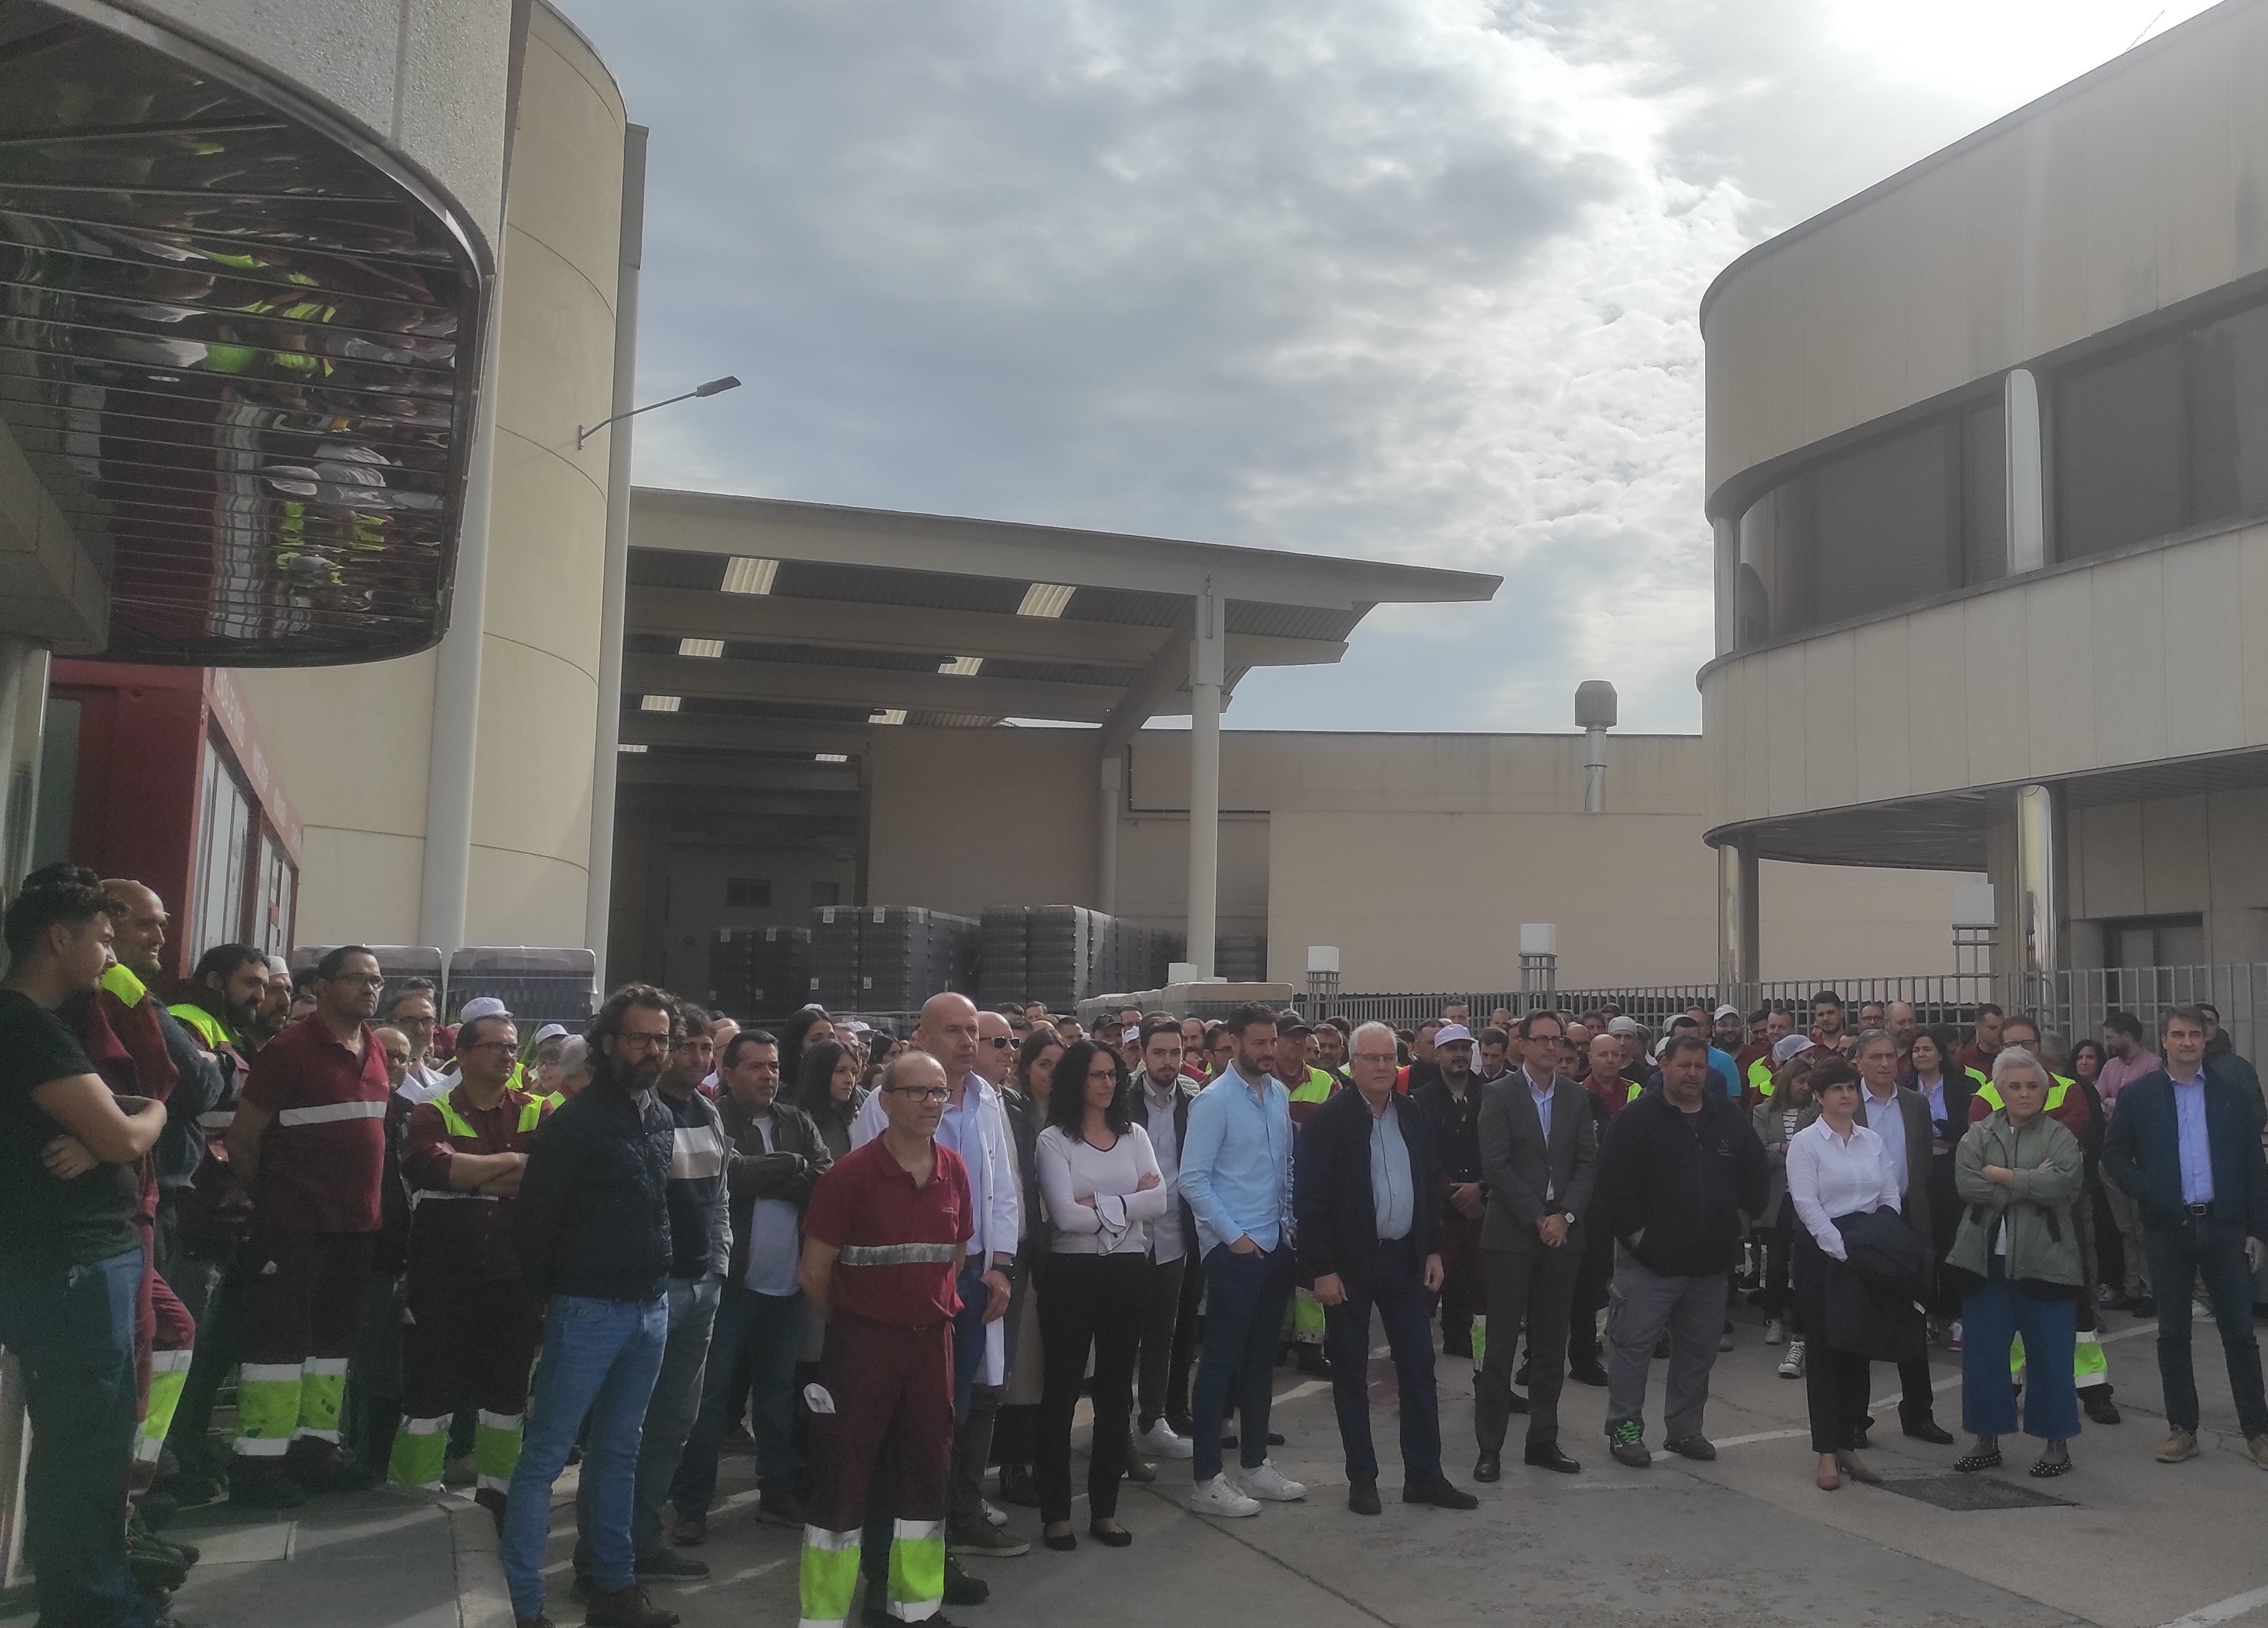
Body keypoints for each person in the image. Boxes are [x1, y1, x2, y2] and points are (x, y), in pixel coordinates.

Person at [0, 863, 170, 1628]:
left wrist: (113, 1128)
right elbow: (125, 1129)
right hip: (72, 1266)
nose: (110, 957)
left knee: (80, 1451)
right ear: (57, 939)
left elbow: (105, 1121)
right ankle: (98, 1611)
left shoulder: (40, 1026)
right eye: (102, 940)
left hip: (62, 1262)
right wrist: (141, 1124)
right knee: (86, 1456)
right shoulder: (27, 1027)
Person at [504, 985, 678, 1628]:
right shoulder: (573, 1124)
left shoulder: (656, 1114)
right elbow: (535, 1224)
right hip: (586, 1311)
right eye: (639, 1038)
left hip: (648, 1309)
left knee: (619, 1451)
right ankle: (525, 1605)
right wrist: (551, 1301)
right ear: (608, 1043)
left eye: (660, 1039)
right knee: (545, 1460)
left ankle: (614, 1590)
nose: (652, 1050)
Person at [850, 994, 1021, 1590]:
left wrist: (1001, 1264)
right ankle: (891, 1559)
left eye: (974, 1030)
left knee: (955, 1415)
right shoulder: (884, 1105)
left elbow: (1001, 1189)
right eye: (953, 1030)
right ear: (921, 1036)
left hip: (972, 1280)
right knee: (911, 1427)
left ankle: (938, 1542)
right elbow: (863, 1201)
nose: (968, 1042)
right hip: (906, 1292)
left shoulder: (987, 1100)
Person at [796, 1052, 971, 1628]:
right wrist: (859, 1318)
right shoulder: (847, 1177)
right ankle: (824, 1614)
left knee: (926, 1471)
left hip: (931, 1346)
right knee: (845, 1477)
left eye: (939, 1092)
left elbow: (954, 1257)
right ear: (886, 1100)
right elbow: (813, 1273)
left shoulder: (954, 1171)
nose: (930, 1102)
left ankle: (912, 1607)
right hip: (863, 1346)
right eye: (917, 1091)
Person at [223, 945, 391, 1505]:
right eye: (356, 979)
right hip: (293, 1225)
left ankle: (315, 1451)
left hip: (356, 1225)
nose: (370, 988)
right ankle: (259, 1466)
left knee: (333, 1344)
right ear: (320, 987)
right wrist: (263, 1200)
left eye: (375, 980)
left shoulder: (374, 1048)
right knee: (278, 1341)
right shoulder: (290, 1050)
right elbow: (244, 1136)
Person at [576, 1005, 729, 1592]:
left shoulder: (708, 1114)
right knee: (621, 1430)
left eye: (702, 1048)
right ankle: (600, 1553)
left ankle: (644, 1539)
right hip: (647, 1293)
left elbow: (716, 1201)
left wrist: (716, 1269)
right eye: (682, 1046)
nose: (694, 1058)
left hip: (698, 1290)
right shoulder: (635, 1115)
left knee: (671, 1424)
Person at [1296, 1020, 1474, 1514]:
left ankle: (1424, 1475)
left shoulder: (1412, 1114)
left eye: (1386, 1059)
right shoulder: (1329, 1121)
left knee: (1418, 1364)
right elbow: (1309, 1202)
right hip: (1349, 1265)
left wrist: (1433, 1249)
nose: (1379, 1067)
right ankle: (1363, 1478)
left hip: (1403, 1260)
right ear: (1351, 1065)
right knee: (1351, 1372)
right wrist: (1320, 1269)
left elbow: (1427, 1185)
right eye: (1369, 1058)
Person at [387, 1009, 548, 1521]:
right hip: (444, 1275)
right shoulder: (431, 1111)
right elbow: (431, 1167)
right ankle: (414, 1498)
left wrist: (471, 1174)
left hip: (514, 1274)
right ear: (462, 1054)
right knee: (429, 1391)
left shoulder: (538, 1111)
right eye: (495, 1046)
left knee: (506, 1394)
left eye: (512, 1047)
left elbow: (546, 1177)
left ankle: (500, 1498)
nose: (508, 1055)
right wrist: (511, 1167)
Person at [668, 1029, 827, 1539]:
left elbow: (825, 1179)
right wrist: (788, 1170)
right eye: (756, 1066)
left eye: (774, 1066)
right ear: (728, 1072)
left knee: (777, 1397)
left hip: (786, 1289)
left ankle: (777, 1493)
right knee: (709, 1401)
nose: (768, 1076)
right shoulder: (716, 1118)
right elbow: (727, 1176)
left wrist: (775, 1174)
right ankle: (691, 1505)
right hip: (730, 1289)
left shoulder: (794, 1120)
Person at [1590, 1033, 1769, 1468]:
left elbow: (1755, 1174)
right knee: (1632, 1348)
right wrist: (1639, 1239)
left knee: (1698, 1352)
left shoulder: (1725, 1117)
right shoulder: (1635, 1121)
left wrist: (1737, 1223)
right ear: (1663, 1065)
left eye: (1699, 1067)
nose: (1692, 1075)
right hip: (1648, 1266)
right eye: (1683, 1065)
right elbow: (1613, 1189)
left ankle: (1685, 1429)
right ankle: (1625, 1429)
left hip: (1708, 1266)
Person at [2103, 1006, 2268, 1468]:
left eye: (2194, 1034)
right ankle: (2182, 1429)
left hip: (2223, 1226)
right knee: (2172, 1331)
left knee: (2238, 1332)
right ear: (2164, 1040)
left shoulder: (2230, 1096)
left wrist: (2258, 1230)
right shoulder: (2139, 1096)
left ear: (2205, 1040)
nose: (2187, 1042)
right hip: (2166, 1227)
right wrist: (2147, 1189)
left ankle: (2257, 1431)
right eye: (2177, 1035)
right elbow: (2112, 1155)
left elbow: (2254, 1167)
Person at [1031, 1040, 1167, 1549]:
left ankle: (1105, 1510)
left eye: (1112, 1074)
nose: (1107, 1084)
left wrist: (1103, 1204)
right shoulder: (1053, 1141)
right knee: (1062, 1393)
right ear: (1075, 1081)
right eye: (1095, 1075)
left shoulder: (1133, 1136)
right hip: (1072, 1274)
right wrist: (1129, 1203)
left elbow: (1160, 1201)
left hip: (1128, 1270)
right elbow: (1064, 1217)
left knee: (1115, 1394)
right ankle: (1056, 1513)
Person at [1179, 1002, 1305, 1517]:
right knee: (1220, 1364)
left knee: (1260, 1363)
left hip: (1275, 1245)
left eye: (1272, 1041)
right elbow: (1192, 1180)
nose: (1269, 1051)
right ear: (1233, 1043)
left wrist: (1289, 1223)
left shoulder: (1276, 1094)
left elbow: (1283, 1167)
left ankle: (1255, 1464)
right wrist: (1233, 1238)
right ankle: (1207, 1478)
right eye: (1259, 1043)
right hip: (1237, 1252)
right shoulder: (1213, 1102)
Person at [1948, 1047, 2084, 1479]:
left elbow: (2064, 1184)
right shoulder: (1977, 1134)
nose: (2024, 1094)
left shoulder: (2060, 1136)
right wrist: (2031, 1181)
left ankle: (2055, 1444)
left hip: (2046, 1262)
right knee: (1984, 1357)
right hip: (1984, 1264)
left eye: (2032, 1086)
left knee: (2050, 1358)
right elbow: (1967, 1183)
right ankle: (1986, 1439)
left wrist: (2004, 1176)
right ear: (1999, 1090)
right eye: (2015, 1086)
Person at [1472, 1010, 1596, 1478]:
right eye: (1540, 1040)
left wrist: (1563, 1217)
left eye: (1556, 1040)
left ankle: (1542, 1440)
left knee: (1549, 1344)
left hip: (1563, 1236)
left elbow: (1587, 1163)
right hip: (1511, 1234)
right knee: (1501, 1345)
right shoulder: (1499, 1095)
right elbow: (1496, 1166)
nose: (1550, 1047)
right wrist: (1537, 1217)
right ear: (1520, 1045)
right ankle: (1489, 1447)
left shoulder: (1575, 1098)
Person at [1785, 1058, 1896, 1490]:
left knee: (1857, 1349)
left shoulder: (1871, 1141)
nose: (1846, 1095)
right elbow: (1806, 1203)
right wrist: (1839, 1248)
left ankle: (1849, 1442)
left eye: (1850, 1087)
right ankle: (1825, 1453)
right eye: (1836, 1089)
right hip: (1822, 1252)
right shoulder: (1807, 1143)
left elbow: (1889, 1193)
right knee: (1825, 1353)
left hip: (1866, 1247)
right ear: (1819, 1097)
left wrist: (1874, 1241)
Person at [1853, 1029, 1956, 1445]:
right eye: (1874, 1057)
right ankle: (1853, 1418)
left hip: (1908, 1225)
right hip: (1858, 1227)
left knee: (1911, 1323)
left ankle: (1918, 1414)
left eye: (1890, 1057)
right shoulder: (1842, 1101)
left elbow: (1922, 1166)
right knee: (1856, 1324)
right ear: (1858, 1061)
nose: (1884, 1064)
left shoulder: (1914, 1105)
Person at [994, 1025, 1063, 1507]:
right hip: (1022, 1251)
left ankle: (1046, 1454)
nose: (1052, 1076)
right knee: (1020, 1363)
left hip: (1063, 1250)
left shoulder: (1074, 1116)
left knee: (1051, 1364)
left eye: (1061, 1066)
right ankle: (1012, 1463)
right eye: (1044, 1065)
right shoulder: (1013, 1112)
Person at [1129, 1018, 1198, 1465]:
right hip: (1125, 1236)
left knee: (1162, 1333)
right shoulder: (1120, 1099)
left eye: (1175, 1053)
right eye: (1160, 1053)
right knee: (1119, 1337)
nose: (1169, 1062)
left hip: (1173, 1236)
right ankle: (1113, 1426)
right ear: (1142, 1053)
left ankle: (1153, 1420)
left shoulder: (1194, 1102)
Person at [1412, 1018, 1487, 1360]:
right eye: (1452, 1049)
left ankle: (1484, 1372)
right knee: (1428, 1290)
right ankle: (1412, 1363)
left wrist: (1481, 1189)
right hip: (1440, 1214)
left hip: (1483, 1209)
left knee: (1482, 1295)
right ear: (1437, 1054)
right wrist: (1454, 1194)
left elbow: (1504, 1150)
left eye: (1465, 1048)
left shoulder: (1492, 1095)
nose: (1459, 1055)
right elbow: (1420, 1156)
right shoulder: (1419, 1101)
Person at [1906, 1025, 1972, 1343]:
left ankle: (1956, 1314)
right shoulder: (1904, 1087)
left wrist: (1945, 1131)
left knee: (1951, 1242)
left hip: (1951, 1170)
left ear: (1941, 1054)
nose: (1921, 1055)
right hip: (1919, 1170)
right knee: (1922, 1242)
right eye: (1916, 1050)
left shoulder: (1963, 1086)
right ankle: (1927, 1314)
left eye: (1927, 1049)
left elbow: (1968, 1128)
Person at [1753, 1056, 1817, 1372]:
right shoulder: (1763, 1112)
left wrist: (1782, 1149)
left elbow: (1814, 1152)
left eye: (1809, 1082)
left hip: (1806, 1198)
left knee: (1803, 1262)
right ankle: (1774, 1317)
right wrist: (1783, 1149)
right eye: (1800, 1081)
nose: (1805, 1088)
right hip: (1777, 1199)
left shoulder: (1815, 1113)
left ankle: (1801, 1326)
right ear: (1787, 1081)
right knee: (1776, 1261)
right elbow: (1758, 1151)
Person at [2097, 1012, 2161, 1311]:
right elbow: (2101, 1101)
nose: (2107, 1044)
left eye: (2111, 1037)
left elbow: (2141, 1107)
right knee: (2124, 1227)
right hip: (2114, 1153)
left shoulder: (2153, 1065)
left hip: (2140, 1156)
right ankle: (2131, 1287)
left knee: (2141, 1226)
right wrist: (2116, 1103)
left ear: (2126, 1035)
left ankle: (2150, 1290)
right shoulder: (2110, 1066)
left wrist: (2115, 1103)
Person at [798, 1038, 864, 1161]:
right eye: (840, 1071)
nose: (850, 1080)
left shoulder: (857, 1116)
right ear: (820, 1073)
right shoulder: (795, 1123)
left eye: (854, 1072)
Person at [385, 980, 448, 1103]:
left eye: (427, 1021)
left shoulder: (445, 1083)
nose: (420, 1030)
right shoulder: (379, 1082)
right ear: (390, 1025)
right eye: (409, 1021)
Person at [1960, 1004, 2005, 1081]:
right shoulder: (1964, 1059)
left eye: (2002, 1028)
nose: (1999, 1032)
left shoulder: (2011, 1058)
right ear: (1978, 1027)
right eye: (1993, 1028)